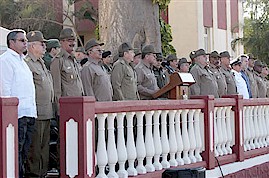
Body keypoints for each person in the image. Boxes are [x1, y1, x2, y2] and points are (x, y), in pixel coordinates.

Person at [0, 29, 37, 178]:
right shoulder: (5, 60)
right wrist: (9, 114)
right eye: (22, 41)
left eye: (26, 41)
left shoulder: (23, 62)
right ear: (12, 43)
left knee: (24, 152)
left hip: (29, 113)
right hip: (17, 115)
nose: (25, 43)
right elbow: (5, 88)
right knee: (15, 152)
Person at [24, 31, 54, 177]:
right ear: (32, 46)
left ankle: (42, 173)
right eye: (41, 44)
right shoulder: (28, 64)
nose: (44, 47)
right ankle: (34, 174)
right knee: (34, 149)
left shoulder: (42, 63)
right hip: (36, 112)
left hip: (47, 111)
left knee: (44, 148)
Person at [50, 28, 84, 115]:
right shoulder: (58, 60)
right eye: (69, 40)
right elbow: (56, 88)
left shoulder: (73, 60)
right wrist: (59, 110)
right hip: (67, 108)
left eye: (74, 40)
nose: (72, 43)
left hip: (78, 105)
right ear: (61, 42)